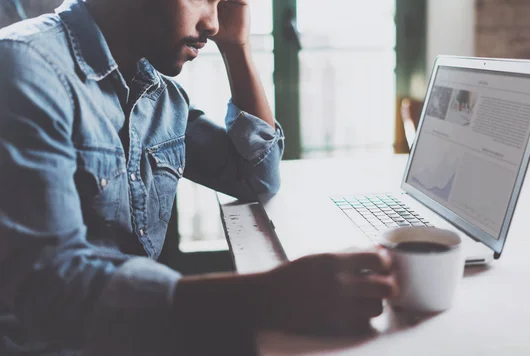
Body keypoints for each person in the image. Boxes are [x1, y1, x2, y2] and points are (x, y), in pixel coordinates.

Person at [0, 0, 398, 354]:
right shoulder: (24, 67)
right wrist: (267, 296)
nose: (213, 23)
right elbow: (48, 292)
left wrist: (237, 48)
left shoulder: (160, 96)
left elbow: (256, 177)